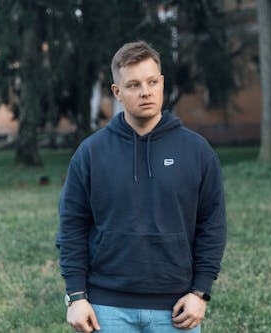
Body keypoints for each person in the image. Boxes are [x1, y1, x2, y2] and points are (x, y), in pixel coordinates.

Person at [56, 41, 227, 333]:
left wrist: (200, 292)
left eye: (151, 82)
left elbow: (212, 225)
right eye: (133, 85)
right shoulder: (91, 152)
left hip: (177, 308)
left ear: (162, 83)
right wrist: (76, 296)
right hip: (106, 308)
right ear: (117, 92)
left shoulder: (197, 151)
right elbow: (72, 225)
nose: (146, 92)